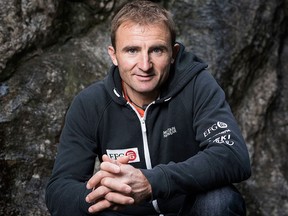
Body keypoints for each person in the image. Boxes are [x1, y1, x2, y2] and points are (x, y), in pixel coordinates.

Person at [45, 0, 251, 215]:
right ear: (113, 55)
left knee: (220, 200)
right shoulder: (90, 104)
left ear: (173, 53)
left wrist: (152, 182)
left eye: (157, 50)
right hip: (126, 213)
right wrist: (105, 193)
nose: (145, 65)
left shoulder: (197, 85)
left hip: (188, 210)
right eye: (132, 50)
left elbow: (232, 155)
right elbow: (59, 189)